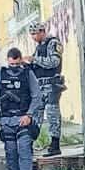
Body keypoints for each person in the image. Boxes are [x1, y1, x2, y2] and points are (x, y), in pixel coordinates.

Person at [0, 48, 41, 170]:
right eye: (12, 64)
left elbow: (36, 96)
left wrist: (29, 115)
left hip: (23, 118)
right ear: (7, 61)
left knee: (24, 149)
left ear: (21, 61)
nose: (14, 68)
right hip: (6, 119)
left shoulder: (27, 74)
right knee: (10, 152)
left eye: (17, 64)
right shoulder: (0, 74)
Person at [24, 21, 65, 157]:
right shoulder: (39, 47)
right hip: (40, 85)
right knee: (36, 114)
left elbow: (54, 62)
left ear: (42, 31)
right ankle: (29, 142)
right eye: (32, 34)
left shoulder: (53, 43)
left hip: (52, 84)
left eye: (35, 34)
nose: (33, 37)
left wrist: (35, 60)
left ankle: (55, 144)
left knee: (53, 114)